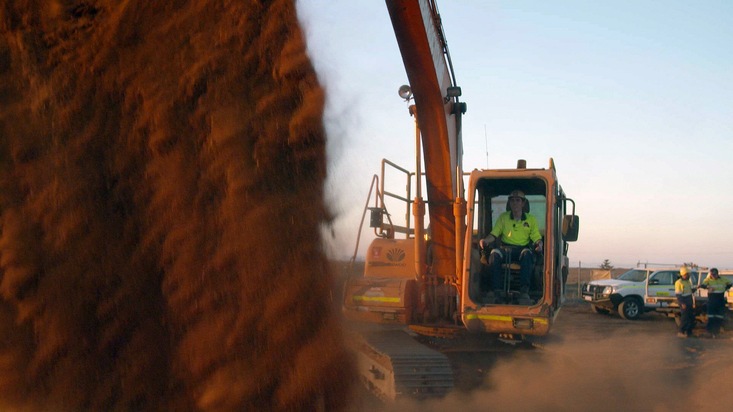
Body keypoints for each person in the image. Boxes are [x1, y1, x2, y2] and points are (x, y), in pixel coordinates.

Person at [479, 190, 542, 305]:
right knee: (494, 254)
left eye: (518, 200)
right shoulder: (503, 218)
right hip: (505, 249)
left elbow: (536, 236)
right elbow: (494, 234)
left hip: (522, 249)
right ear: (509, 203)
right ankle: (496, 291)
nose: (515, 203)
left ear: (523, 203)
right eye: (512, 200)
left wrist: (539, 244)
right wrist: (485, 241)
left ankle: (524, 291)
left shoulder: (531, 219)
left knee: (527, 254)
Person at [699, 268, 732, 338]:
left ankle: (716, 332)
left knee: (719, 317)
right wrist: (708, 287)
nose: (713, 276)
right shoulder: (708, 279)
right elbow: (703, 285)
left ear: (717, 274)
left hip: (720, 300)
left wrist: (726, 288)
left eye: (714, 275)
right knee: (711, 317)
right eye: (711, 275)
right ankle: (709, 332)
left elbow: (730, 283)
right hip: (712, 300)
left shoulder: (723, 279)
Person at [675, 266, 696, 338]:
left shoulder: (688, 282)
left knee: (690, 317)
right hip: (684, 302)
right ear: (684, 274)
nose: (689, 275)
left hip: (689, 301)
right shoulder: (679, 282)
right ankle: (681, 332)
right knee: (685, 318)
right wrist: (682, 303)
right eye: (687, 274)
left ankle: (689, 332)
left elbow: (690, 291)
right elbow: (678, 295)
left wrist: (696, 288)